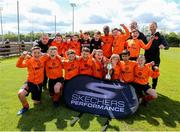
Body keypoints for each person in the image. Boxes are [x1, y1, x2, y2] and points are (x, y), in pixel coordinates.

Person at [16, 46, 49, 115]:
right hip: (30, 82)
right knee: (20, 94)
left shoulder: (43, 58)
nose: (36, 54)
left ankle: (38, 96)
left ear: (41, 53)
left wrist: (43, 54)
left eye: (38, 53)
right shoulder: (29, 61)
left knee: (37, 102)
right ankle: (25, 107)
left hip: (38, 84)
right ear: (32, 53)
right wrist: (22, 57)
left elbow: (49, 55)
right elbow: (18, 65)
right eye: (35, 53)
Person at [144, 21, 169, 89]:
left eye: (153, 26)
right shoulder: (146, 36)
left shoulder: (160, 36)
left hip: (155, 59)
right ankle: (145, 85)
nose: (152, 28)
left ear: (156, 27)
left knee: (155, 73)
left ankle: (153, 88)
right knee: (144, 72)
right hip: (146, 58)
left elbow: (167, 46)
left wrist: (163, 47)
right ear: (149, 27)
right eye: (151, 27)